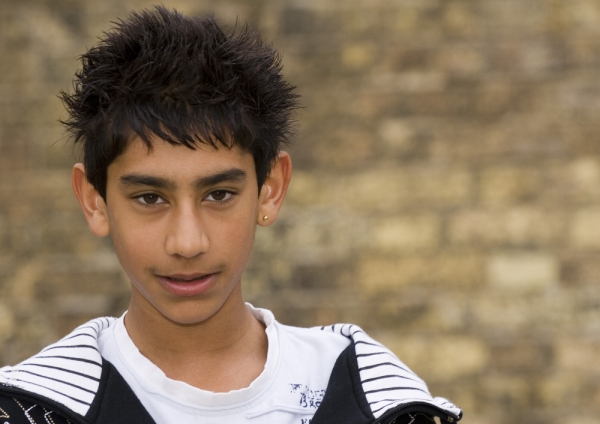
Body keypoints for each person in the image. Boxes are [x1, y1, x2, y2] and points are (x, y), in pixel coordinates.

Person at [0, 7, 462, 424]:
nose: (187, 242)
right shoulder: (33, 408)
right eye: (149, 198)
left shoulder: (370, 395)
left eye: (219, 194)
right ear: (94, 200)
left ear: (270, 190)